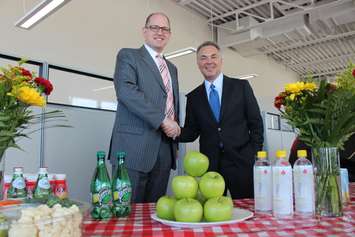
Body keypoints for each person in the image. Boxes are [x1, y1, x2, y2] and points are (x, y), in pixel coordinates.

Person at [175, 41, 264, 199]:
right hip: (211, 167)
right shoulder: (194, 97)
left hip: (242, 162)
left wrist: (253, 153)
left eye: (213, 57)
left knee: (247, 209)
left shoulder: (241, 87)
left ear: (221, 61)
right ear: (198, 63)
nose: (209, 61)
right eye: (203, 58)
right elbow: (191, 132)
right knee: (214, 214)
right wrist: (170, 129)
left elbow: (256, 123)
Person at [109, 12, 180, 203]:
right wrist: (163, 120)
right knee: (126, 213)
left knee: (155, 214)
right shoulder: (128, 55)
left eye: (165, 29)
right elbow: (126, 91)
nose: (160, 32)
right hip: (133, 149)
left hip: (165, 150)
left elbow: (171, 103)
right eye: (154, 27)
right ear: (144, 31)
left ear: (170, 34)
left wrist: (175, 137)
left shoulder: (172, 68)